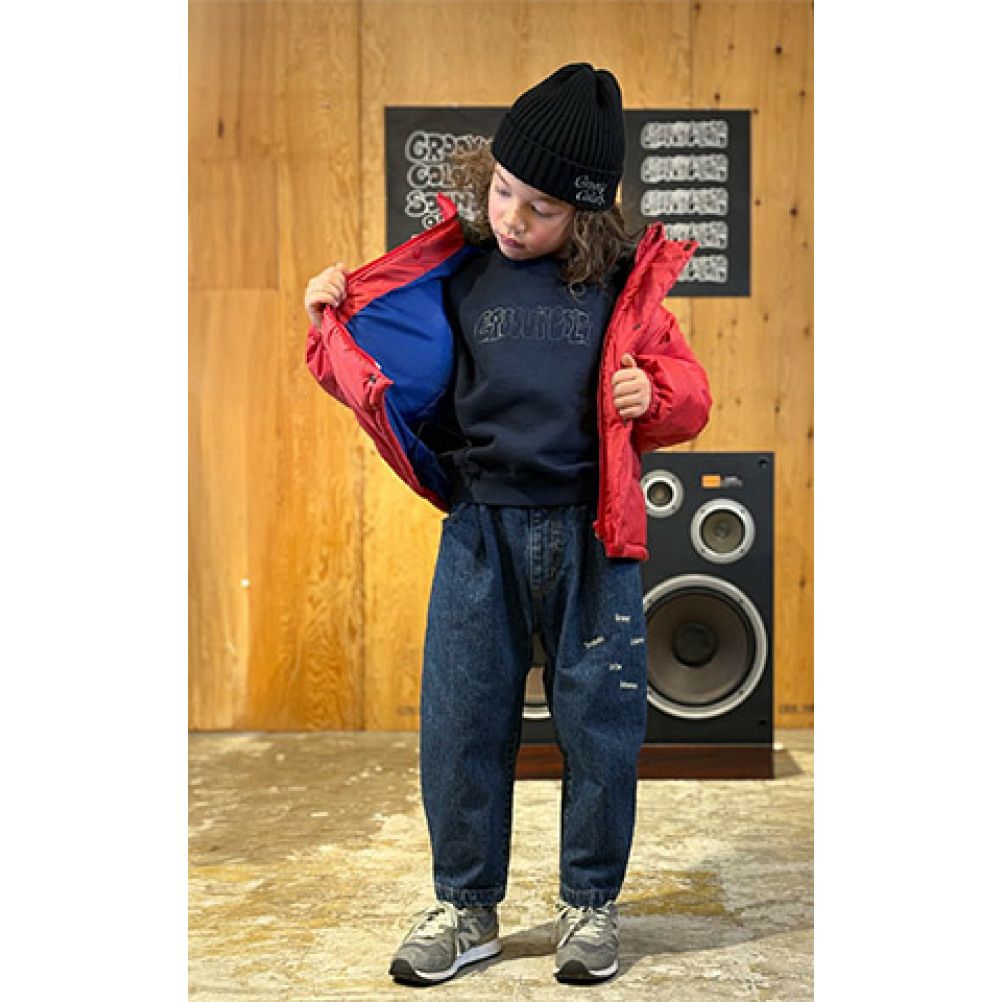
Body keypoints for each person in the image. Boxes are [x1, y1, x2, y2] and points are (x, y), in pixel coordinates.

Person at [304, 63, 711, 986]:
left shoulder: (620, 286)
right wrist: (329, 312)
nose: (514, 219)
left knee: (601, 728)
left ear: (589, 213)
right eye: (501, 191)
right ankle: (465, 906)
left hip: (593, 537)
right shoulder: (459, 270)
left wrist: (653, 396)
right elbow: (369, 367)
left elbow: (690, 395)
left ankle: (589, 906)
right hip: (480, 531)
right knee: (460, 723)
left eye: (541, 208)